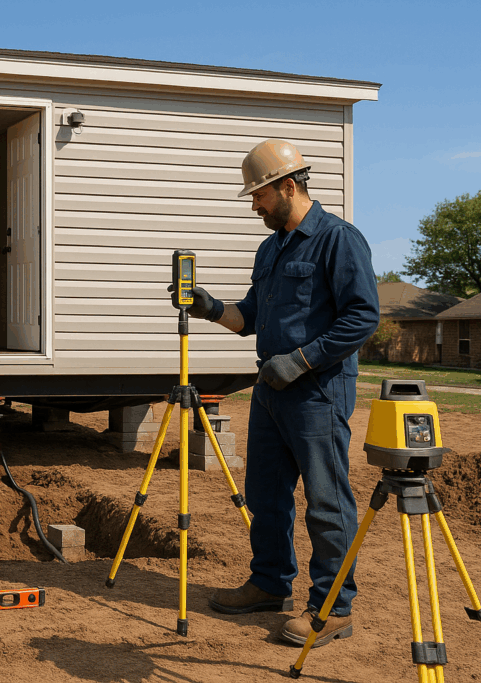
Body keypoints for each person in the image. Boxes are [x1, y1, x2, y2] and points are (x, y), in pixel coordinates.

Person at [176, 139, 380, 646]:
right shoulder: (270, 248)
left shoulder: (339, 239)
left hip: (317, 393)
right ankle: (270, 584)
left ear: (288, 186)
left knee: (326, 502)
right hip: (270, 389)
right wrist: (209, 307)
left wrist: (303, 359)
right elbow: (249, 319)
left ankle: (333, 608)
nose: (254, 206)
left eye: (258, 196)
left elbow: (363, 317)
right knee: (266, 496)